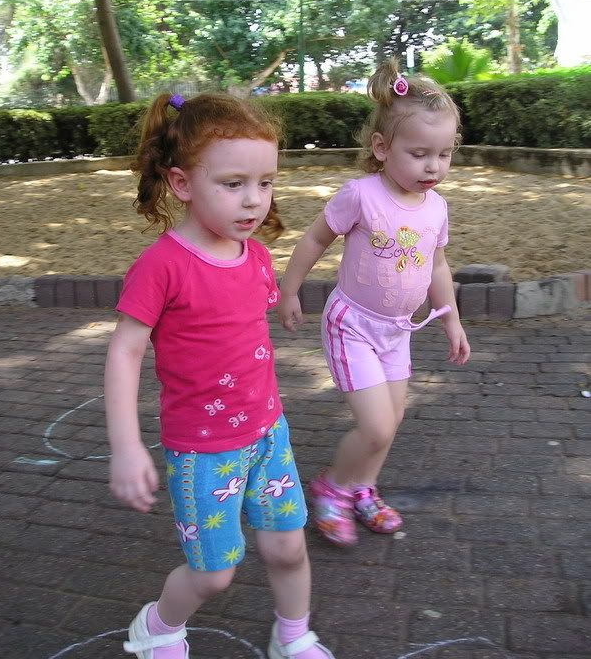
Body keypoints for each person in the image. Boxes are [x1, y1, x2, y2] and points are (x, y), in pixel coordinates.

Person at [104, 92, 335, 659]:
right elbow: (125, 352)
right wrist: (126, 447)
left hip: (269, 434)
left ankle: (293, 635)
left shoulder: (254, 256)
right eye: (233, 183)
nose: (254, 199)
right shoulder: (161, 266)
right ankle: (159, 626)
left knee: (287, 548)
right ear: (182, 183)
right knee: (214, 573)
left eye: (266, 182)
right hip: (203, 452)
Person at [278, 59, 471, 548]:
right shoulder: (361, 195)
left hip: (397, 330)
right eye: (419, 153)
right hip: (354, 327)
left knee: (391, 421)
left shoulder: (436, 207)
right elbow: (315, 239)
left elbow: (437, 266)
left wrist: (452, 321)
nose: (433, 166)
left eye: (444, 153)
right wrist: (290, 289)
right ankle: (332, 487)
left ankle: (362, 488)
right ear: (382, 148)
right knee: (376, 425)